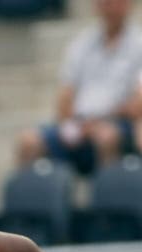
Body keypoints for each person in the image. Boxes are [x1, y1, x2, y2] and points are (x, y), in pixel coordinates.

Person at [15, 0, 142, 174]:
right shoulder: (81, 44)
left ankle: (109, 197)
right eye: (104, 2)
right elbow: (65, 96)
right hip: (79, 124)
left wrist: (96, 123)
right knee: (29, 140)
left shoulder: (138, 44)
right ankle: (30, 199)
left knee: (107, 136)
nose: (109, 6)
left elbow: (137, 104)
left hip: (118, 124)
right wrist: (75, 125)